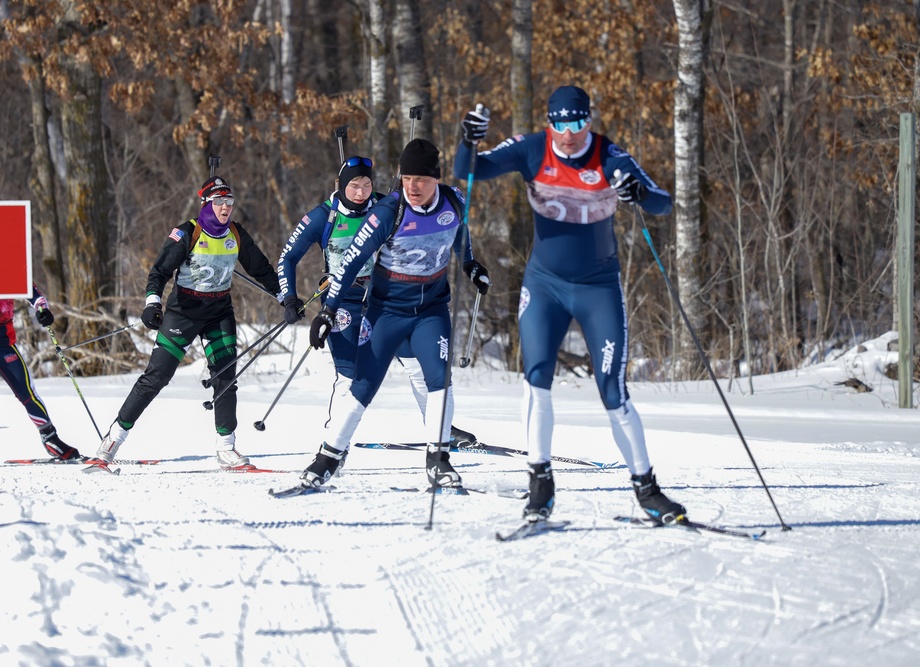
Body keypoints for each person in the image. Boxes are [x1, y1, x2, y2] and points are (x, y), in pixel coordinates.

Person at [454, 85, 687, 524]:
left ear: (589, 121)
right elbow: (470, 171)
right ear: (549, 123)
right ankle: (540, 485)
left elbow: (663, 202)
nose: (568, 134)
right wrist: (467, 138)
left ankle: (648, 491)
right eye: (560, 124)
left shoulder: (609, 156)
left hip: (599, 288)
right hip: (545, 287)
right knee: (536, 378)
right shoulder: (531, 148)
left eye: (577, 123)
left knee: (613, 391)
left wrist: (637, 192)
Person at [298, 139, 491, 489]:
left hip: (431, 311)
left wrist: (470, 265)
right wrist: (327, 311)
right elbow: (349, 263)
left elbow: (460, 235)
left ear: (436, 178)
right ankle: (328, 458)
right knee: (364, 385)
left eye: (421, 178)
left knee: (438, 378)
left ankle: (438, 459)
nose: (412, 186)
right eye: (406, 178)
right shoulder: (388, 213)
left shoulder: (454, 202)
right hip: (386, 312)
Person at [86, 175, 281, 471]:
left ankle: (226, 447)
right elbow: (159, 272)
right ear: (205, 203)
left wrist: (286, 297)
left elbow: (262, 269)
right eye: (218, 202)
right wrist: (152, 303)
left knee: (225, 377)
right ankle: (112, 440)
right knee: (157, 376)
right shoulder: (187, 232)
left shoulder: (237, 234)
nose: (225, 208)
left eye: (229, 202)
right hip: (184, 312)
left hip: (219, 311)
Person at [0, 285, 80, 467]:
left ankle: (50, 438)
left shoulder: (10, 266)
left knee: (26, 390)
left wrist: (42, 310)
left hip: (3, 341)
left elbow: (34, 294)